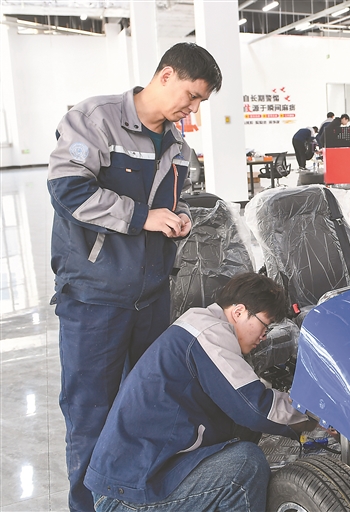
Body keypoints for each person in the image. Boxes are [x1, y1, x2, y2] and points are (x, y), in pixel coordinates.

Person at [47, 42, 222, 511]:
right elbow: (68, 189)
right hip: (96, 298)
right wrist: (143, 217)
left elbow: (175, 201)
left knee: (144, 407)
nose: (193, 108)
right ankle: (88, 505)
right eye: (191, 95)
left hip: (151, 297)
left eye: (201, 101)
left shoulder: (178, 145)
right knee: (91, 413)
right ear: (165, 75)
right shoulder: (96, 120)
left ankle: (131, 501)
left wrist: (180, 218)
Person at [84, 272, 315, 511]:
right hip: (125, 495)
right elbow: (255, 407)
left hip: (133, 481)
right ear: (239, 312)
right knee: (246, 464)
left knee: (242, 436)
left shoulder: (200, 326)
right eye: (264, 326)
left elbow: (245, 396)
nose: (263, 337)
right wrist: (315, 416)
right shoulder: (209, 334)